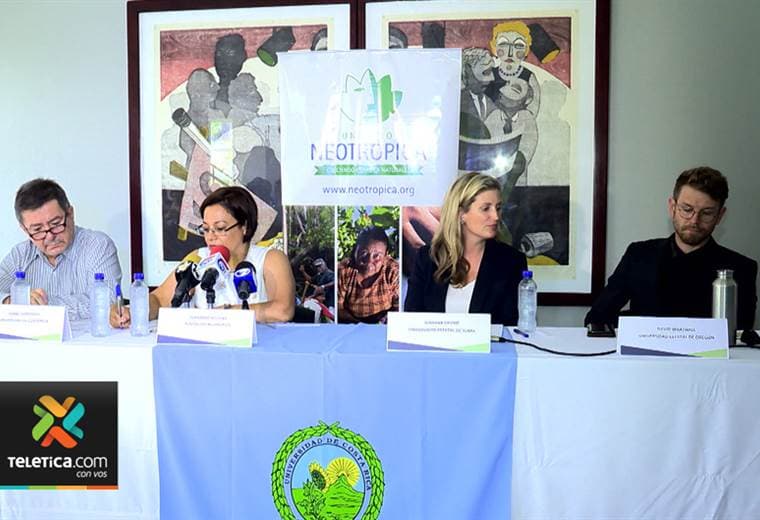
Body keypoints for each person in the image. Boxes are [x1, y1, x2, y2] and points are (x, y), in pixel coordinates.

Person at [585, 166, 758, 330]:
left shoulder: (742, 268)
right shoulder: (638, 255)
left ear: (720, 216)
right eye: (687, 209)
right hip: (644, 352)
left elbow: (741, 331)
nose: (694, 221)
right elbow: (597, 317)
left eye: (706, 213)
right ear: (672, 207)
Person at [111, 186, 294, 327]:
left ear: (244, 227)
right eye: (206, 229)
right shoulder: (198, 258)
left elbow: (283, 310)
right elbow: (159, 300)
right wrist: (132, 311)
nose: (210, 237)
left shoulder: (270, 259)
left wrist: (227, 314)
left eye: (220, 228)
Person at [404, 172, 527, 325]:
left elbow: (512, 324)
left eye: (498, 208)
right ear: (461, 213)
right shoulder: (427, 258)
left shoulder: (511, 262)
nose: (496, 216)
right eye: (486, 208)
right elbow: (412, 321)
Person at [0, 179, 122, 320]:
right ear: (25, 230)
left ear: (70, 214)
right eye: (38, 230)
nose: (50, 236)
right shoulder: (20, 255)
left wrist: (43, 305)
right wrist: (9, 301)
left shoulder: (98, 246)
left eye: (56, 224)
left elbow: (108, 302)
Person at [337, 227, 399, 324]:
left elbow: (398, 307)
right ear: (355, 251)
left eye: (377, 255)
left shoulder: (392, 271)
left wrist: (386, 320)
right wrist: (360, 325)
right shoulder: (344, 271)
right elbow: (339, 308)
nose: (369, 261)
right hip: (351, 323)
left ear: (385, 256)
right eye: (364, 253)